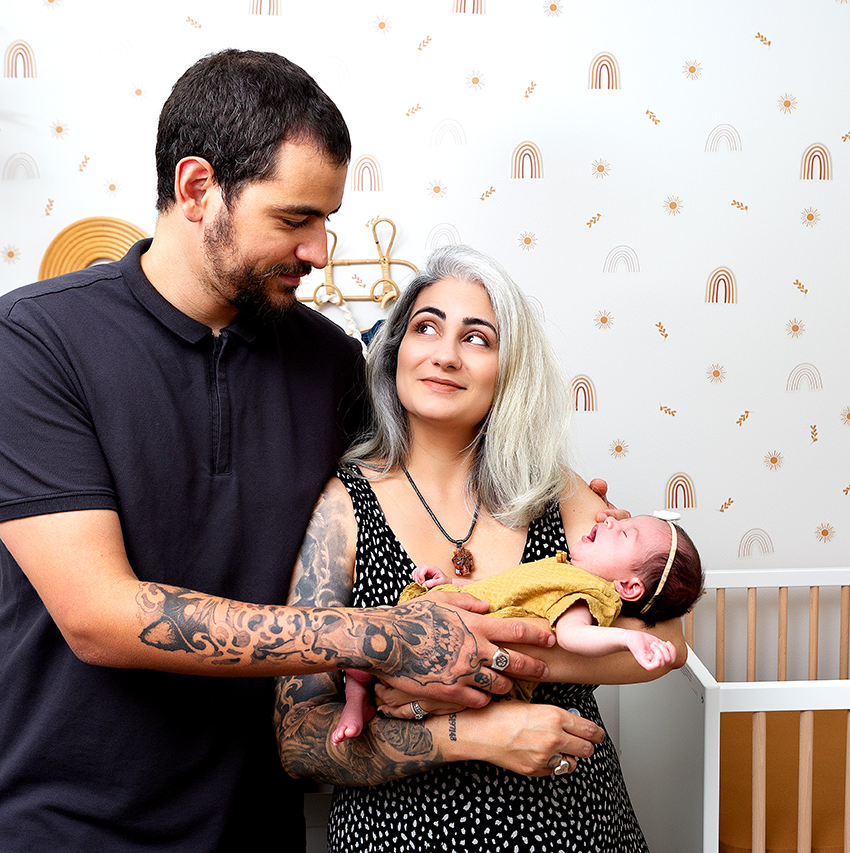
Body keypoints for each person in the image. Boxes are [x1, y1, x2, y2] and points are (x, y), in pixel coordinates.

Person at [0, 51, 556, 853]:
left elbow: (448, 442)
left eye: (327, 222)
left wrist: (595, 519)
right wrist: (380, 635)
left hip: (251, 825)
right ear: (199, 188)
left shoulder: (330, 363)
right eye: (294, 218)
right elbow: (99, 614)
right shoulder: (34, 338)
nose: (318, 250)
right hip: (60, 824)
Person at [275, 244, 689, 852]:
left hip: (577, 828)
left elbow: (670, 644)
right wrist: (481, 728)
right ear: (395, 353)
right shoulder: (342, 508)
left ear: (507, 369)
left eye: (477, 338)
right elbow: (300, 744)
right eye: (426, 328)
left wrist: (484, 654)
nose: (445, 354)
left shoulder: (555, 490)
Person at [331, 514, 704, 744]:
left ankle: (358, 700)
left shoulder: (587, 594)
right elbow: (504, 588)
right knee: (375, 626)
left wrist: (628, 638)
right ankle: (356, 700)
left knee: (375, 641)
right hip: (440, 615)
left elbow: (572, 638)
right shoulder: (562, 569)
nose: (609, 520)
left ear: (629, 588)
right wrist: (453, 584)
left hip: (468, 664)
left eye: (624, 533)